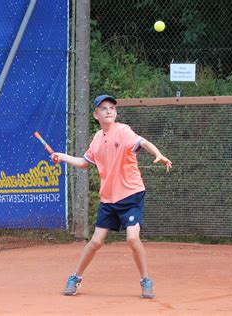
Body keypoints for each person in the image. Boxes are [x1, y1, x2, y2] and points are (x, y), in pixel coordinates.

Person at [52, 94, 172, 298]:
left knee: (132, 238)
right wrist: (62, 157)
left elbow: (142, 142)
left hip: (131, 194)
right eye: (104, 108)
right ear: (95, 114)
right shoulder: (97, 139)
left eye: (112, 108)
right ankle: (76, 277)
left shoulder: (123, 131)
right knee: (96, 242)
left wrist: (157, 154)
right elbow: (84, 162)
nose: (109, 111)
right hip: (108, 199)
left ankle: (145, 280)